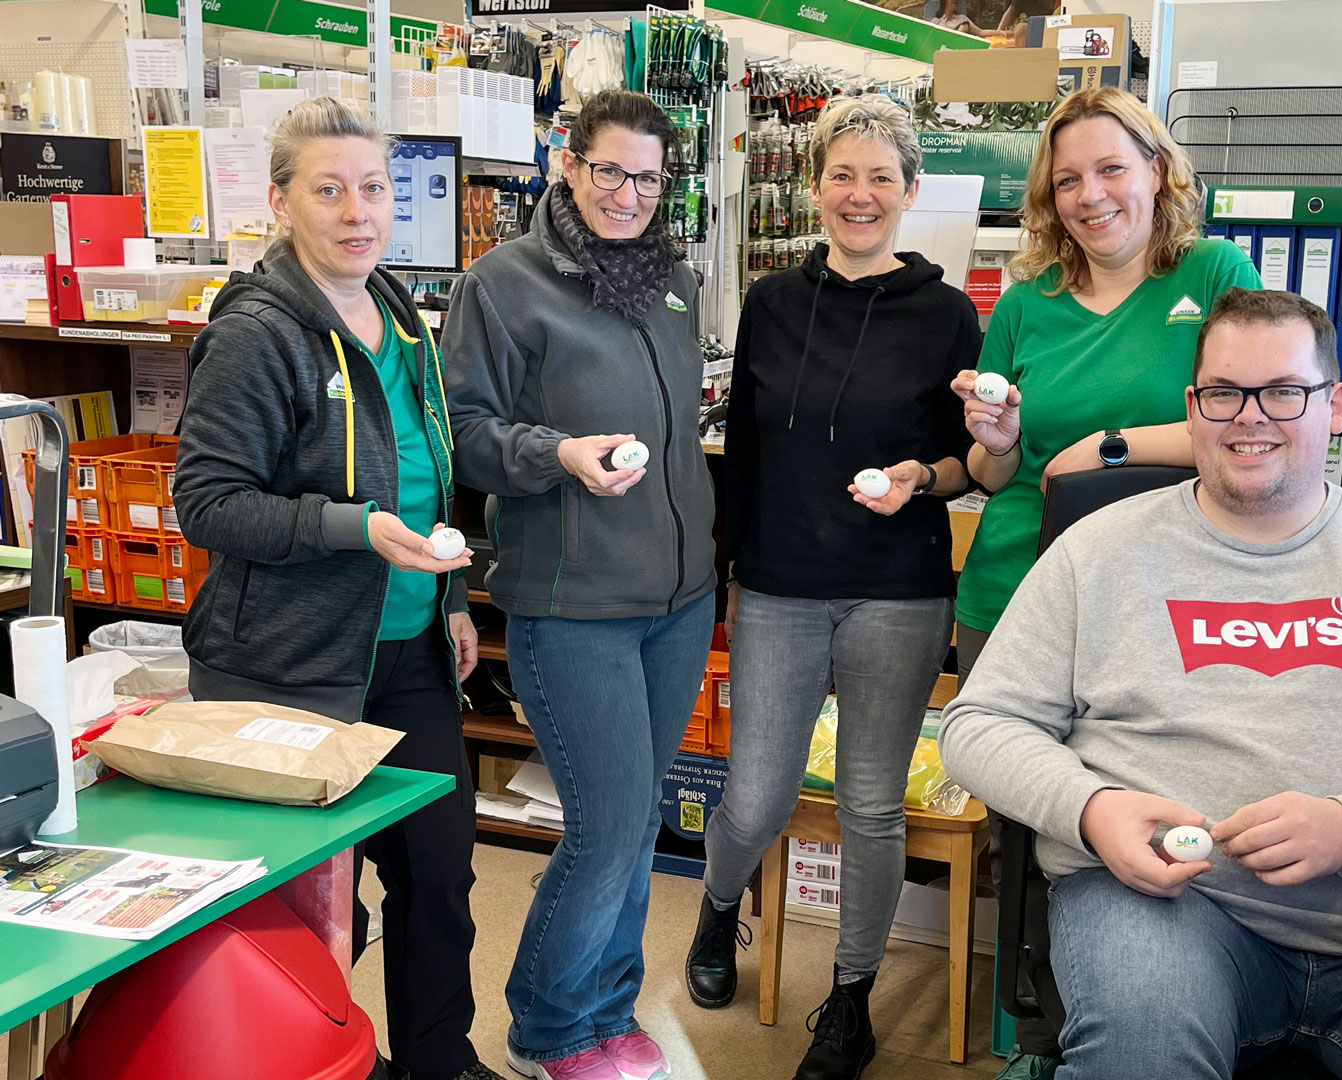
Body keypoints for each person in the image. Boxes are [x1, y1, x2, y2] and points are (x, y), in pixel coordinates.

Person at [939, 288, 1342, 1080]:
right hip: (1169, 909)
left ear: (1337, 407)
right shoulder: (1096, 552)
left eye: (1284, 391)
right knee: (1143, 1056)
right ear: (1192, 410)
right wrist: (1092, 807)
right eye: (1223, 393)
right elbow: (980, 722)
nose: (1250, 417)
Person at [174, 97, 494, 1080]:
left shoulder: (401, 315)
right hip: (289, 664)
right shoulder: (257, 335)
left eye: (374, 188)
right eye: (329, 190)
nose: (358, 212)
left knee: (437, 873)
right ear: (281, 202)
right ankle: (319, 1063)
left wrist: (450, 601)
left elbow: (426, 472)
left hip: (410, 653)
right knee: (315, 905)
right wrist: (352, 528)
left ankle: (437, 1061)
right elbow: (208, 504)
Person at [947, 84, 1260, 1079]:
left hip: (1164, 602)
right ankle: (1032, 1030)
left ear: (1157, 172)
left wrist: (1109, 445)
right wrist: (999, 436)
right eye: (1069, 179)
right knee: (1026, 823)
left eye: (1112, 169)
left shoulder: (1214, 274)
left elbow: (1245, 418)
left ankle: (1139, 1019)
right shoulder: (1024, 302)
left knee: (1143, 813)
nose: (1091, 196)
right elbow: (994, 469)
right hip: (1014, 590)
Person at [683, 95, 982, 1080]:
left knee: (870, 805)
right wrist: (728, 575)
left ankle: (849, 1000)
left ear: (909, 191)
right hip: (780, 585)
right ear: (814, 187)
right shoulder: (771, 303)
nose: (861, 195)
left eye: (881, 178)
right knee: (756, 796)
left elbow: (970, 464)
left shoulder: (947, 316)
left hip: (898, 591)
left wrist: (919, 478)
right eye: (843, 175)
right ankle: (719, 907)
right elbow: (744, 451)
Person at [444, 88, 716, 1080]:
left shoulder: (673, 280)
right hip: (573, 606)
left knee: (638, 818)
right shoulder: (502, 285)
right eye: (610, 171)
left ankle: (606, 1008)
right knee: (604, 828)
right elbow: (462, 434)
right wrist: (559, 453)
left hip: (679, 603)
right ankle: (549, 1028)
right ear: (569, 163)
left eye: (648, 178)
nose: (628, 195)